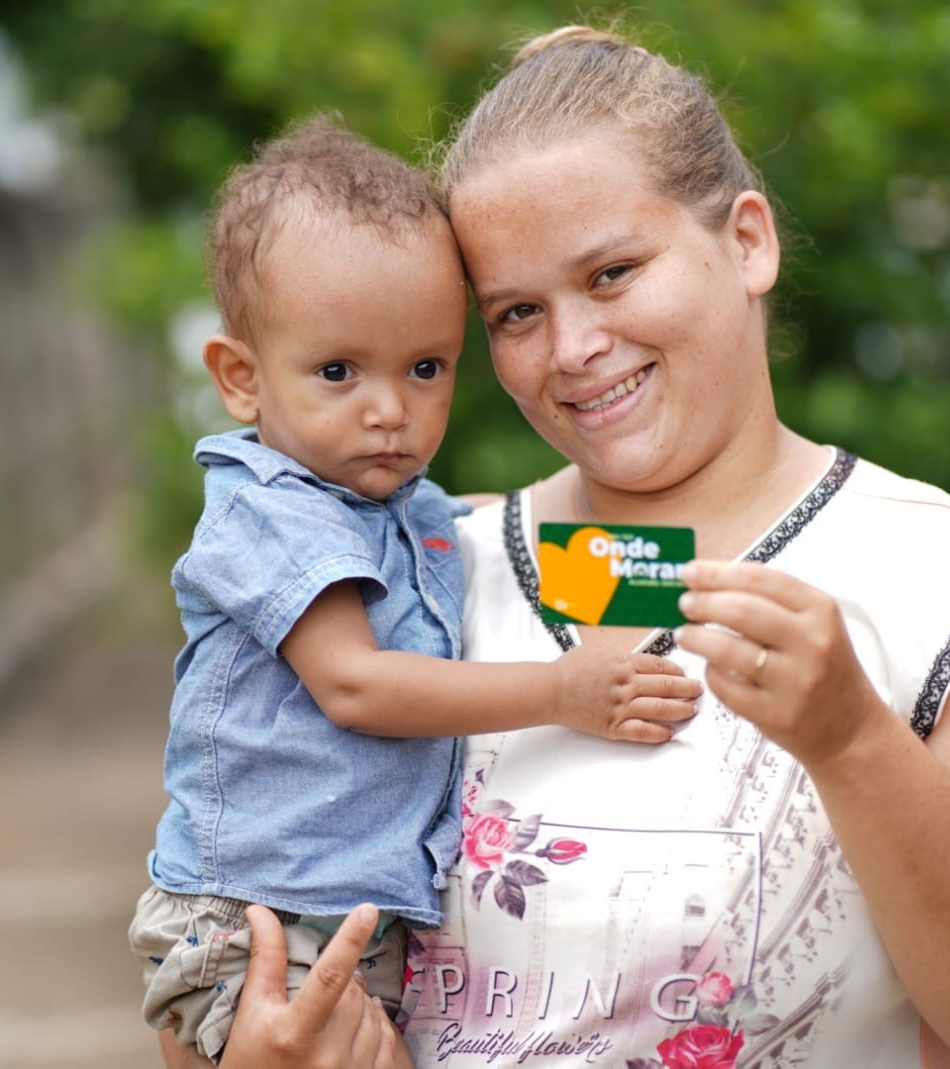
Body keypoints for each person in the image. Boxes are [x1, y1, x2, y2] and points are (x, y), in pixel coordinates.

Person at [174, 26, 950, 1069]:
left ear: (746, 243)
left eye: (611, 273)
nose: (573, 347)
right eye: (515, 311)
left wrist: (855, 743)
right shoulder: (414, 572)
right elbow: (213, 952)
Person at [130, 114, 702, 1065]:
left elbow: (483, 525)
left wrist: (660, 546)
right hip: (256, 920)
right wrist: (565, 692)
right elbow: (357, 684)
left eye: (425, 368)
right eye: (338, 371)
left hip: (348, 914)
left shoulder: (386, 500)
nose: (389, 410)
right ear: (240, 377)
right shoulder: (273, 512)